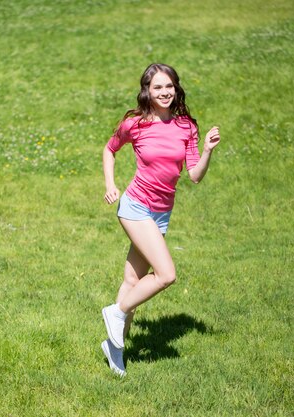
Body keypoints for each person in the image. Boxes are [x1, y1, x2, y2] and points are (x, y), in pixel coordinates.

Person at [100, 63, 221, 376]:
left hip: (161, 213)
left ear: (176, 88)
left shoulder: (186, 127)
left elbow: (193, 175)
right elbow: (110, 149)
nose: (164, 92)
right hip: (135, 206)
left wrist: (206, 150)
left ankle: (115, 350)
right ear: (147, 91)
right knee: (166, 274)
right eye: (157, 88)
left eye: (169, 86)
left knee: (132, 281)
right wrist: (111, 185)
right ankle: (116, 312)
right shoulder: (135, 124)